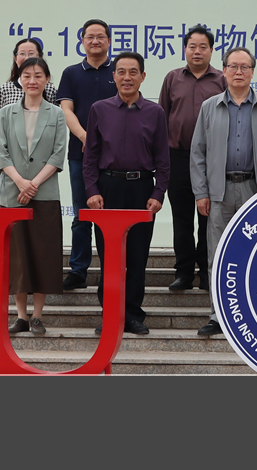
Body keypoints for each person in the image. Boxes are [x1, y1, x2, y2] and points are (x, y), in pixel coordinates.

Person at [190, 47, 257, 336]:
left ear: (253, 72)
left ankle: (256, 312)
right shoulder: (210, 107)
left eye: (244, 67)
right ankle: (218, 315)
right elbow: (198, 153)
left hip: (255, 191)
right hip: (219, 192)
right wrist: (201, 192)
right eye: (233, 66)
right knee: (218, 255)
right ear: (224, 71)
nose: (238, 72)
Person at [83, 51, 170, 336]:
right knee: (109, 255)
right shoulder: (99, 109)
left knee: (137, 256)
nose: (127, 77)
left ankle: (132, 315)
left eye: (133, 72)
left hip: (141, 189)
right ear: (114, 76)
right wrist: (92, 190)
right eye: (121, 72)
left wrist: (158, 193)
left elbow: (163, 159)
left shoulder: (155, 113)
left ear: (143, 77)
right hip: (108, 189)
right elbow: (90, 156)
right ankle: (110, 314)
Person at [0, 57, 66, 336]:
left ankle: (37, 315)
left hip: (44, 193)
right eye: (27, 75)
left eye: (38, 75)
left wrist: (33, 184)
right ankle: (21, 316)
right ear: (19, 80)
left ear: (47, 79)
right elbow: (1, 153)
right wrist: (20, 182)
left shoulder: (56, 113)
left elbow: (58, 154)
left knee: (43, 253)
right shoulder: (7, 112)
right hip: (12, 193)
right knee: (17, 255)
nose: (32, 80)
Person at [159, 25, 227, 292]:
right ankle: (183, 272)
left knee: (209, 218)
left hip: (212, 159)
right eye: (192, 46)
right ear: (185, 49)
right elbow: (163, 117)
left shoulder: (221, 80)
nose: (197, 51)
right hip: (177, 157)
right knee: (182, 217)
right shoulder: (172, 78)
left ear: (211, 50)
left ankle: (207, 272)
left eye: (203, 47)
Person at [56, 19, 116, 291]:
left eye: (100, 36)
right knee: (82, 213)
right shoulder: (71, 73)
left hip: (113, 157)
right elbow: (66, 110)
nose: (95, 41)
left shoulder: (117, 70)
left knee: (109, 216)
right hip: (79, 154)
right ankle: (78, 270)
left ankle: (110, 269)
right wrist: (85, 138)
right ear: (82, 41)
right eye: (90, 36)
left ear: (109, 41)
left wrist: (106, 142)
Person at [0, 38, 58, 122]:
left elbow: (55, 120)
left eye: (31, 53)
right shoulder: (5, 89)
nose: (27, 58)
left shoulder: (50, 89)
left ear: (40, 57)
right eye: (22, 54)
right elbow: (0, 122)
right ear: (15, 58)